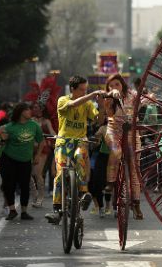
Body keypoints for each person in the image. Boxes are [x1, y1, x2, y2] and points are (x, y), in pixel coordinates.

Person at [45, 75, 104, 224]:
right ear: (72, 89)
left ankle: (84, 193)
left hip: (80, 141)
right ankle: (57, 209)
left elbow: (98, 120)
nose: (84, 92)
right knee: (60, 173)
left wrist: (102, 106)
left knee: (80, 159)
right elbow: (72, 105)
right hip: (64, 142)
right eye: (82, 90)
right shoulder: (63, 100)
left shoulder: (88, 104)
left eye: (86, 90)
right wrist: (91, 95)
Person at [100, 73, 145, 220]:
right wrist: (110, 97)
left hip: (132, 132)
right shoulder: (107, 99)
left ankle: (136, 205)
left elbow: (143, 101)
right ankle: (110, 183)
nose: (114, 88)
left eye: (117, 84)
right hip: (114, 131)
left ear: (123, 85)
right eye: (111, 85)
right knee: (116, 151)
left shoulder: (132, 95)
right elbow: (107, 115)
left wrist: (148, 100)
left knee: (134, 169)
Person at [0, 102, 44, 220]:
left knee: (25, 186)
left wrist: (38, 155)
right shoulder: (8, 127)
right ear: (21, 112)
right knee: (9, 185)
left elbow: (41, 141)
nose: (30, 111)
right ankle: (12, 210)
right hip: (9, 159)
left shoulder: (34, 126)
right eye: (27, 110)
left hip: (26, 160)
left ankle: (24, 211)